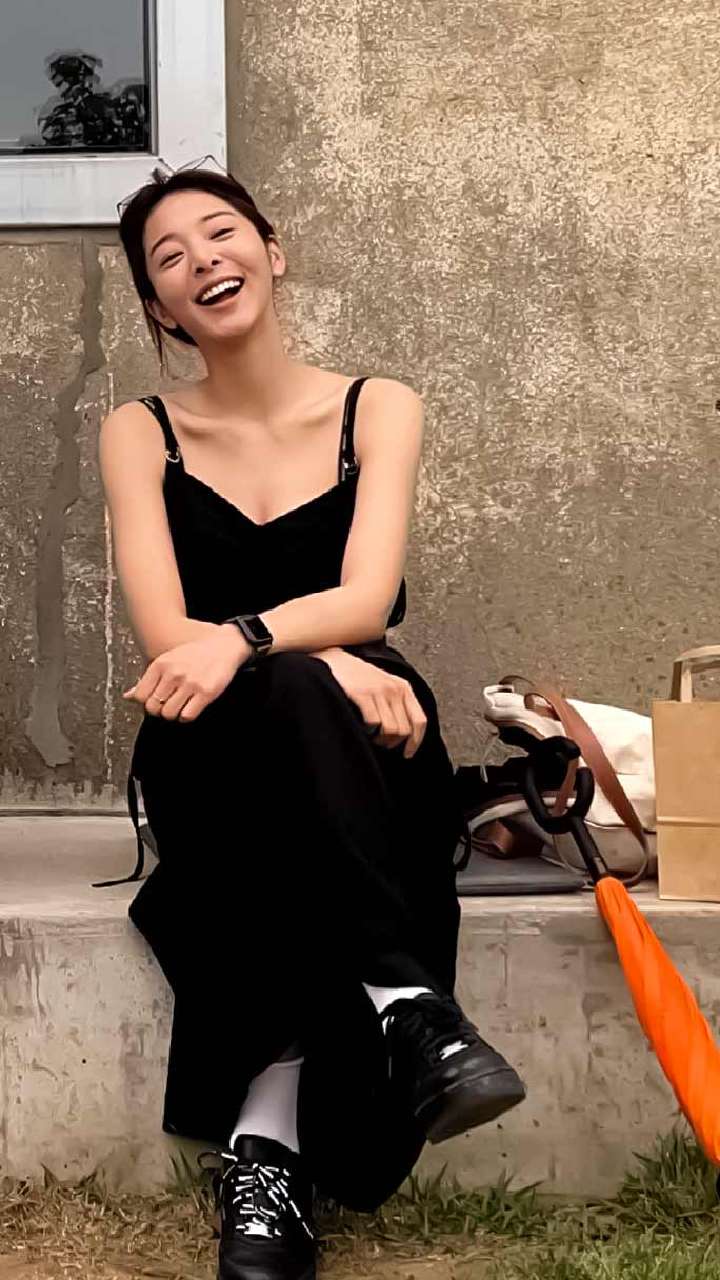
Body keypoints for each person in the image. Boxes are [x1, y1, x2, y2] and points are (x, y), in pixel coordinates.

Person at [99, 163, 525, 1280]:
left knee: (300, 711)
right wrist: (308, 653)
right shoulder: (139, 431)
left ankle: (264, 1152)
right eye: (170, 258)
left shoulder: (378, 405)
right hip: (206, 734)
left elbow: (368, 598)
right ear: (159, 307)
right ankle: (405, 1001)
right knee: (287, 697)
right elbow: (167, 634)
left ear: (272, 251)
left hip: (370, 729)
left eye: (221, 233)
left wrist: (291, 646)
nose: (203, 261)